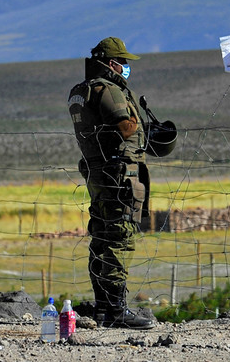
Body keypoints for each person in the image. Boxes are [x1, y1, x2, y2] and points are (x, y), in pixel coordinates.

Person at [67, 36, 165, 330]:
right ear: (111, 63)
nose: (125, 67)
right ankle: (116, 310)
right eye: (122, 62)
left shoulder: (80, 91)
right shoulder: (107, 90)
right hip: (119, 174)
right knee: (119, 238)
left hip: (98, 172)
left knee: (101, 236)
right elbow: (125, 127)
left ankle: (102, 308)